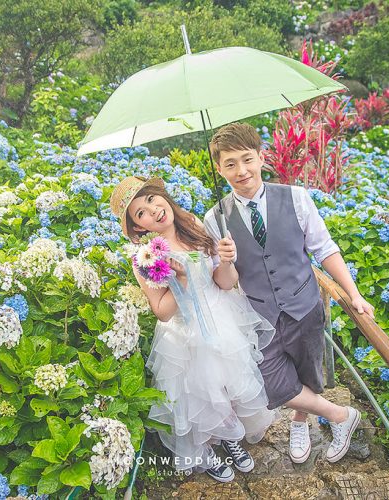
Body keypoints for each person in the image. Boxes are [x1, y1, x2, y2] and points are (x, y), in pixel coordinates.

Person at [204, 122, 375, 465]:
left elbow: (324, 250)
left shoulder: (296, 197)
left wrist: (353, 294)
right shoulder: (215, 218)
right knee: (272, 385)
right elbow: (225, 282)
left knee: (309, 373)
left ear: (261, 157)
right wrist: (224, 260)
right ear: (220, 169)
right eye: (230, 164)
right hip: (258, 315)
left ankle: (301, 421)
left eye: (247, 159)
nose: (241, 170)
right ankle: (342, 416)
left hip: (304, 303)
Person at [110, 176, 277, 483]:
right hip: (183, 334)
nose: (153, 210)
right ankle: (204, 452)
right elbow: (161, 312)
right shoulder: (144, 258)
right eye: (140, 213)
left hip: (221, 315)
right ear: (138, 228)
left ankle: (230, 435)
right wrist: (181, 281)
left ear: (160, 195)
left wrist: (227, 260)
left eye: (150, 199)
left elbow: (224, 282)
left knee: (229, 384)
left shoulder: (194, 225)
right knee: (200, 395)